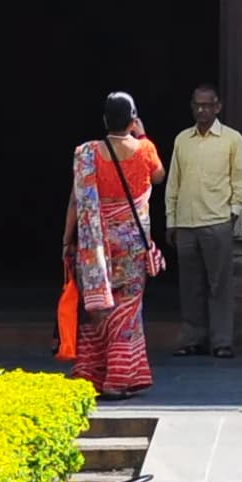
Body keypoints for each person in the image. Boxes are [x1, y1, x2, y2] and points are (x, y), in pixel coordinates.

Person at [60, 90, 163, 396]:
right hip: (131, 245)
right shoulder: (145, 150)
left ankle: (90, 374)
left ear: (105, 119)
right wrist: (142, 135)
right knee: (127, 309)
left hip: (95, 247)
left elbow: (75, 202)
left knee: (96, 311)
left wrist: (67, 240)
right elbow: (158, 177)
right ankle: (119, 378)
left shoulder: (87, 153)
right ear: (133, 120)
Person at [163, 82, 242, 356]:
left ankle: (222, 341)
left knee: (219, 285)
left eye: (207, 105)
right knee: (190, 286)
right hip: (187, 223)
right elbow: (173, 183)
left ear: (218, 107)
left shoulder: (231, 139)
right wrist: (171, 220)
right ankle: (193, 338)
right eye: (197, 105)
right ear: (192, 107)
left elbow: (240, 181)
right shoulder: (182, 139)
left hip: (217, 221)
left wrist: (232, 214)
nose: (202, 110)